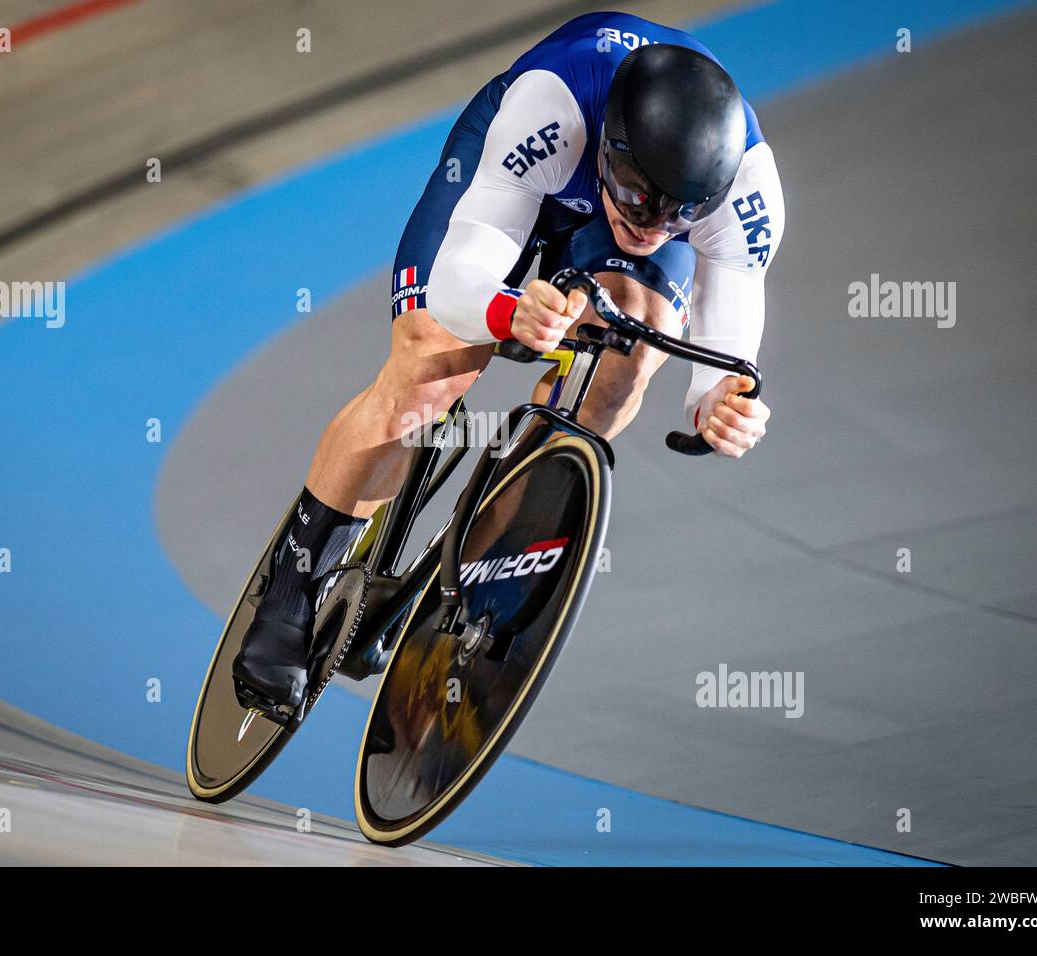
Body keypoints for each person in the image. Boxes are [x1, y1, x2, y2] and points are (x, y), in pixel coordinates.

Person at [233, 11, 785, 708]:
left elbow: (724, 352)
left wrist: (720, 409)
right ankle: (293, 584)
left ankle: (484, 556)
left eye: (676, 214)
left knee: (632, 351)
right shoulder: (550, 110)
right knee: (432, 367)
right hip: (516, 181)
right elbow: (461, 276)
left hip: (611, 184)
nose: (650, 226)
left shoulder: (745, 194)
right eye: (639, 197)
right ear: (610, 147)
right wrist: (507, 312)